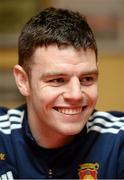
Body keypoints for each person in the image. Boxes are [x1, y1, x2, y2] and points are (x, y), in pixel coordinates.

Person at [0, 7, 124, 179]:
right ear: (23, 81)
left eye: (87, 78)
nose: (76, 94)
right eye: (57, 80)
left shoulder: (118, 139)